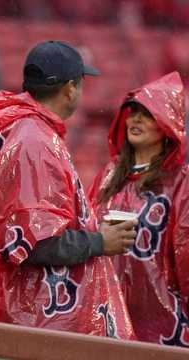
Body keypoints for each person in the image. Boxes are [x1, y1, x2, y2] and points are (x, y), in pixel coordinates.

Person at [0, 41, 137, 337]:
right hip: (30, 312)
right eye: (79, 85)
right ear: (69, 89)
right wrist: (99, 242)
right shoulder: (33, 140)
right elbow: (35, 243)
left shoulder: (15, 126)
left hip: (8, 302)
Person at [89, 72, 189, 346]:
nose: (135, 119)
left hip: (163, 320)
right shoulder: (109, 175)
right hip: (106, 313)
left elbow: (185, 252)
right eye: (132, 113)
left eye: (146, 114)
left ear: (168, 124)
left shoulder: (182, 181)